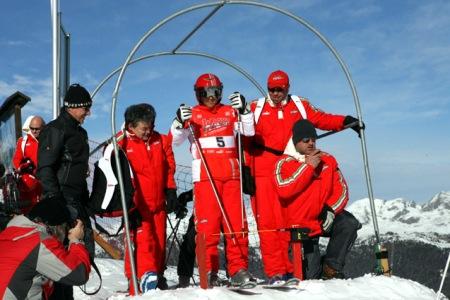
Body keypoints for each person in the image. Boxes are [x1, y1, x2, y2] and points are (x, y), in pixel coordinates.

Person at [246, 69, 364, 282]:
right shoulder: (256, 107)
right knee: (269, 223)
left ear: (287, 87)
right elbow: (243, 135)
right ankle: (276, 272)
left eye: (280, 89)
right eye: (272, 89)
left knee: (289, 220)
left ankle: (295, 269)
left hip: (293, 162)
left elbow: (321, 118)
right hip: (264, 166)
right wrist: (247, 170)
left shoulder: (300, 105)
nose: (276, 94)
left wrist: (345, 121)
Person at [171, 73, 255, 287]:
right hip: (206, 177)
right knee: (208, 227)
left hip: (231, 175)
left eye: (215, 92)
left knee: (236, 224)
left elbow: (249, 130)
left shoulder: (229, 111)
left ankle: (238, 269)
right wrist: (179, 120)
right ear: (198, 94)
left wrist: (245, 111)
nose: (211, 97)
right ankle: (209, 270)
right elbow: (175, 139)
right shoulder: (193, 114)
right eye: (205, 93)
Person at [273, 119, 361, 279]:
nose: (311, 143)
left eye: (314, 139)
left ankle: (331, 268)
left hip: (323, 217)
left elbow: (342, 190)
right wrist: (308, 167)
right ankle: (317, 269)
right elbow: (284, 190)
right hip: (302, 227)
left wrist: (331, 209)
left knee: (348, 223)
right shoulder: (283, 163)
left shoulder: (328, 160)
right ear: (295, 141)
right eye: (306, 140)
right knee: (310, 278)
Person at [36, 83, 93, 299]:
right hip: (59, 202)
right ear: (73, 106)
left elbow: (80, 169)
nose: (88, 112)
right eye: (85, 108)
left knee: (71, 257)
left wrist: (84, 200)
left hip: (75, 200)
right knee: (58, 260)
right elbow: (45, 168)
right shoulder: (55, 129)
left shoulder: (80, 132)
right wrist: (56, 201)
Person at [116, 103, 177, 293]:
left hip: (158, 203)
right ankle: (137, 280)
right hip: (137, 206)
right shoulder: (121, 143)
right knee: (142, 243)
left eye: (151, 125)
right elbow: (114, 174)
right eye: (144, 128)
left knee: (158, 243)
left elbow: (169, 166)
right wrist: (125, 203)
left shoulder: (161, 140)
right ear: (131, 126)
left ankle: (156, 276)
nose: (148, 131)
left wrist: (170, 190)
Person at [0, 196, 91, 300]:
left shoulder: (11, 233)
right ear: (56, 227)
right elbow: (79, 274)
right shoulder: (38, 242)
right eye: (64, 227)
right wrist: (76, 240)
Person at [12, 115, 45, 214]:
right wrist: (21, 168)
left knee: (46, 208)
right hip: (30, 180)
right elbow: (16, 159)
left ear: (43, 127)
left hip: (46, 179)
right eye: (32, 128)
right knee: (29, 208)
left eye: (37, 129)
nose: (34, 131)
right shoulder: (23, 142)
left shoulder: (49, 139)